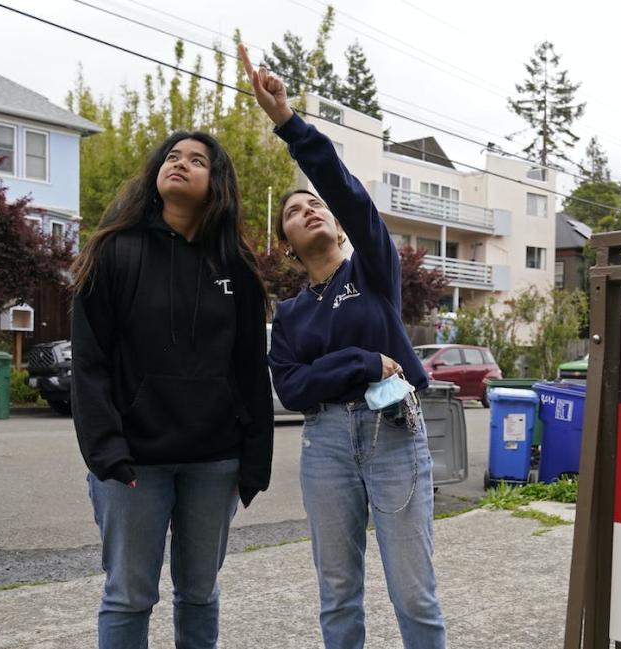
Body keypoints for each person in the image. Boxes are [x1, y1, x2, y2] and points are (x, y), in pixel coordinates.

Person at [239, 44, 446, 649]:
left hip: (393, 437)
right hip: (325, 445)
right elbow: (291, 386)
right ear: (286, 239)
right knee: (337, 594)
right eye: (294, 211)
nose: (309, 210)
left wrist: (287, 123)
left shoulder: (372, 271)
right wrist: (359, 362)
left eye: (314, 204)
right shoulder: (292, 312)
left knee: (414, 592)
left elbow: (347, 191)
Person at [69, 130, 274, 649]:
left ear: (216, 183)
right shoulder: (115, 251)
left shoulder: (237, 269)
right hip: (135, 464)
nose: (181, 164)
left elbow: (251, 369)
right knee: (129, 596)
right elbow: (89, 362)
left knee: (200, 594)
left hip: (215, 462)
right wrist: (106, 451)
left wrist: (254, 462)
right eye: (173, 157)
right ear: (157, 173)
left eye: (197, 160)